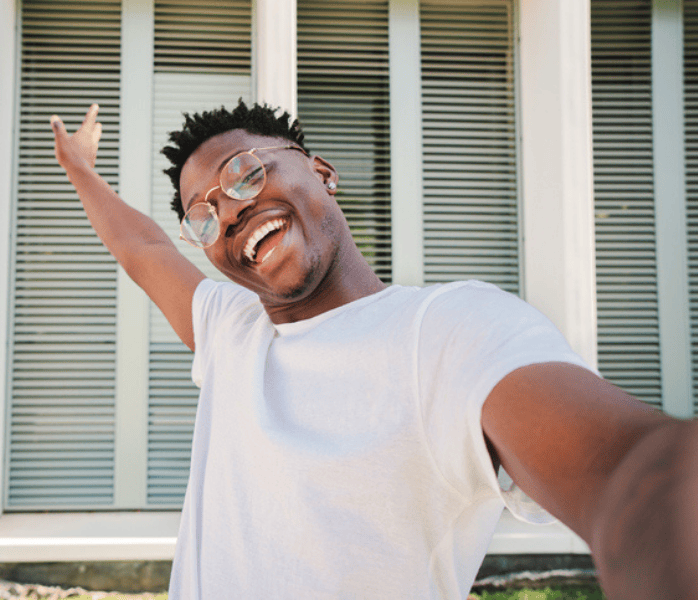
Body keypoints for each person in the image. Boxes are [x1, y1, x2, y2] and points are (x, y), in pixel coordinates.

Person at [51, 101, 698, 600]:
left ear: (322, 173)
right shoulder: (230, 331)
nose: (229, 215)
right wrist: (81, 169)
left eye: (244, 175)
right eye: (204, 215)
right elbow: (145, 250)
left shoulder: (446, 332)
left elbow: (631, 475)